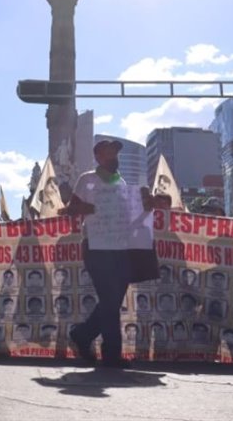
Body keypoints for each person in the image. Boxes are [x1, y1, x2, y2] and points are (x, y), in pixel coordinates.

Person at [61, 139, 156, 368]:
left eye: (116, 153)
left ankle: (83, 334)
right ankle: (112, 354)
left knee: (112, 300)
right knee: (109, 298)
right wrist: (95, 209)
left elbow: (130, 216)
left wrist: (145, 207)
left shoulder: (122, 183)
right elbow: (70, 210)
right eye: (110, 153)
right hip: (96, 246)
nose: (115, 157)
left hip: (122, 248)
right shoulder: (87, 179)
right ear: (98, 157)